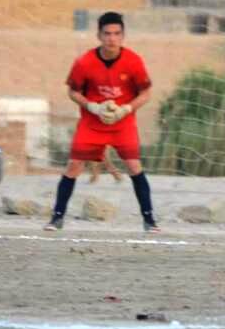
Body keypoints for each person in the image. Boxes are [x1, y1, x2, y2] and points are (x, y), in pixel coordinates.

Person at [45, 12, 159, 232]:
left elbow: (146, 93)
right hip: (92, 121)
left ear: (123, 35)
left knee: (134, 166)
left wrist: (126, 108)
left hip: (122, 122)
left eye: (117, 34)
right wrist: (92, 106)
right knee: (73, 166)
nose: (112, 38)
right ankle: (56, 218)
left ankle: (149, 220)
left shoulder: (133, 61)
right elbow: (72, 91)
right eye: (107, 34)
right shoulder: (85, 62)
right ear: (99, 35)